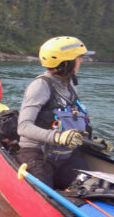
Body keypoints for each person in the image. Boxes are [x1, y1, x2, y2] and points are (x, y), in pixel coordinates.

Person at [17, 36, 100, 189]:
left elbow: (73, 121)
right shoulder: (40, 86)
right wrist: (57, 137)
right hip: (38, 154)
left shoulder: (70, 85)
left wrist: (92, 143)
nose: (81, 61)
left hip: (66, 154)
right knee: (43, 194)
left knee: (90, 188)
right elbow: (23, 127)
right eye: (78, 58)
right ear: (66, 63)